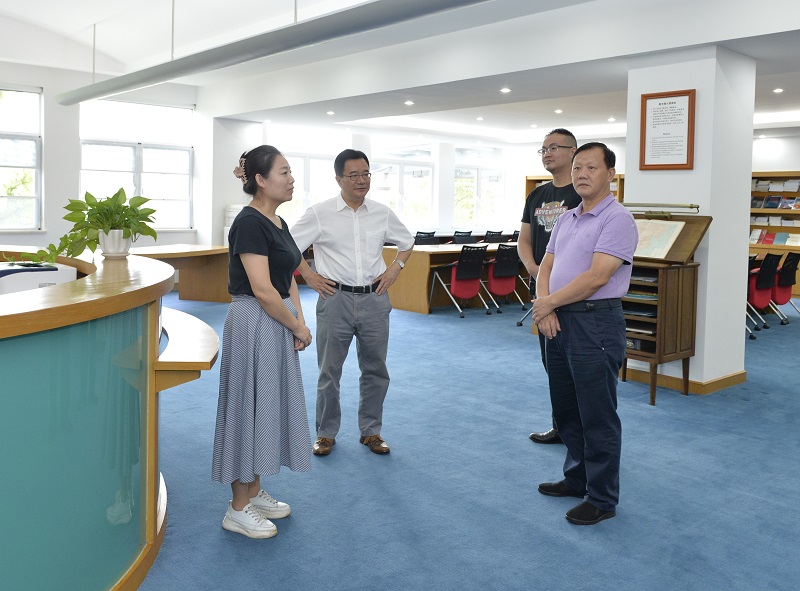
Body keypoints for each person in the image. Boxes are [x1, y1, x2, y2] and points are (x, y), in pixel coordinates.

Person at [532, 142, 637, 526]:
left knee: (597, 414)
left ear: (611, 174)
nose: (582, 174)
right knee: (566, 410)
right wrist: (546, 305)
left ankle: (602, 498)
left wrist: (548, 303)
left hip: (595, 323)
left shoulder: (618, 219)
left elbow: (597, 277)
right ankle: (577, 478)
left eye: (592, 168)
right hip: (558, 320)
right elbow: (546, 265)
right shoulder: (566, 218)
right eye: (578, 167)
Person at [212, 145, 313, 539]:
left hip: (276, 319)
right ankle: (237, 507)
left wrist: (298, 321)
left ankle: (253, 492)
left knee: (265, 406)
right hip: (254, 320)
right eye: (284, 172)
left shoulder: (278, 222)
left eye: (290, 172)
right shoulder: (249, 223)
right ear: (260, 180)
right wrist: (297, 327)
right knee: (247, 409)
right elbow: (262, 289)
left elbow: (287, 278)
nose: (291, 179)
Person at [291, 148, 414, 456]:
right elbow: (288, 245)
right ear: (338, 179)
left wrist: (395, 268)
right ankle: (325, 433)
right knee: (329, 372)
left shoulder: (382, 212)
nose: (362, 180)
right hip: (335, 299)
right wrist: (309, 275)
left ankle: (371, 431)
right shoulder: (320, 213)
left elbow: (407, 241)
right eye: (354, 175)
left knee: (376, 369)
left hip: (374, 299)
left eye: (366, 174)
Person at [518, 128, 582, 445]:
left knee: (578, 367)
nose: (547, 153)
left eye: (554, 147)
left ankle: (581, 431)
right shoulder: (537, 195)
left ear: (573, 152)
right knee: (552, 364)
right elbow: (524, 240)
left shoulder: (582, 194)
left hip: (573, 294)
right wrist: (535, 270)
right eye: (543, 149)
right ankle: (561, 426)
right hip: (542, 292)